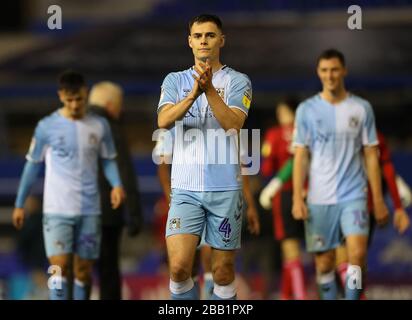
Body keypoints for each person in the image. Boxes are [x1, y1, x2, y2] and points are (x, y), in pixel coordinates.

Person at [156, 14, 253, 300]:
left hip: (226, 190)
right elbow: (163, 120)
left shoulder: (238, 81)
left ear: (221, 40)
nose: (203, 41)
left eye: (210, 35)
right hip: (185, 190)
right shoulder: (175, 80)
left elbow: (234, 124)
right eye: (198, 36)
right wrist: (192, 94)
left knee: (221, 271)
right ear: (189, 42)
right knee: (179, 267)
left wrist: (208, 89)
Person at [12, 70, 125, 300]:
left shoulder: (99, 126)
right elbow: (32, 166)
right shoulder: (47, 126)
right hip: (57, 211)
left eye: (79, 99)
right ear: (61, 96)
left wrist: (116, 184)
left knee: (83, 270)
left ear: (86, 94)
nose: (74, 105)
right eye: (69, 100)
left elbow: (108, 159)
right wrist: (20, 203)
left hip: (89, 210)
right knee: (59, 267)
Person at [292, 49, 389, 300]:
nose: (329, 75)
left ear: (343, 70)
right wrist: (296, 198)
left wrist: (377, 200)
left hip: (354, 194)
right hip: (319, 197)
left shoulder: (361, 108)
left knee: (356, 256)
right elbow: (300, 156)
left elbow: (371, 155)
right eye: (324, 70)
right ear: (318, 72)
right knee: (324, 263)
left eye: (334, 70)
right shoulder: (306, 110)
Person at [154, 130, 259, 300]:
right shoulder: (174, 115)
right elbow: (162, 167)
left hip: (219, 200)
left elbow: (241, 165)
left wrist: (249, 204)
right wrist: (170, 199)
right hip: (187, 200)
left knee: (214, 263)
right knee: (185, 265)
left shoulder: (226, 117)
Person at [334, 131, 410, 297]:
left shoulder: (372, 136)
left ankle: (356, 294)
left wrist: (397, 205)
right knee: (347, 260)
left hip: (359, 205)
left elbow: (385, 167)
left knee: (353, 260)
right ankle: (357, 295)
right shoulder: (335, 130)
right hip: (341, 203)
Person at [88, 81, 143, 300]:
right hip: (108, 213)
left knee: (78, 269)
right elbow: (124, 169)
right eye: (119, 106)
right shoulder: (111, 127)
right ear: (111, 105)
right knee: (108, 271)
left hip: (76, 209)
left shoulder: (73, 124)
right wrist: (135, 213)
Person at [259, 98, 307, 300]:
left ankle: (299, 295)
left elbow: (267, 168)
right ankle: (287, 295)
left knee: (290, 249)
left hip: (285, 195)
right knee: (321, 252)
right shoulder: (308, 130)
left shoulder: (274, 134)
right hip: (311, 193)